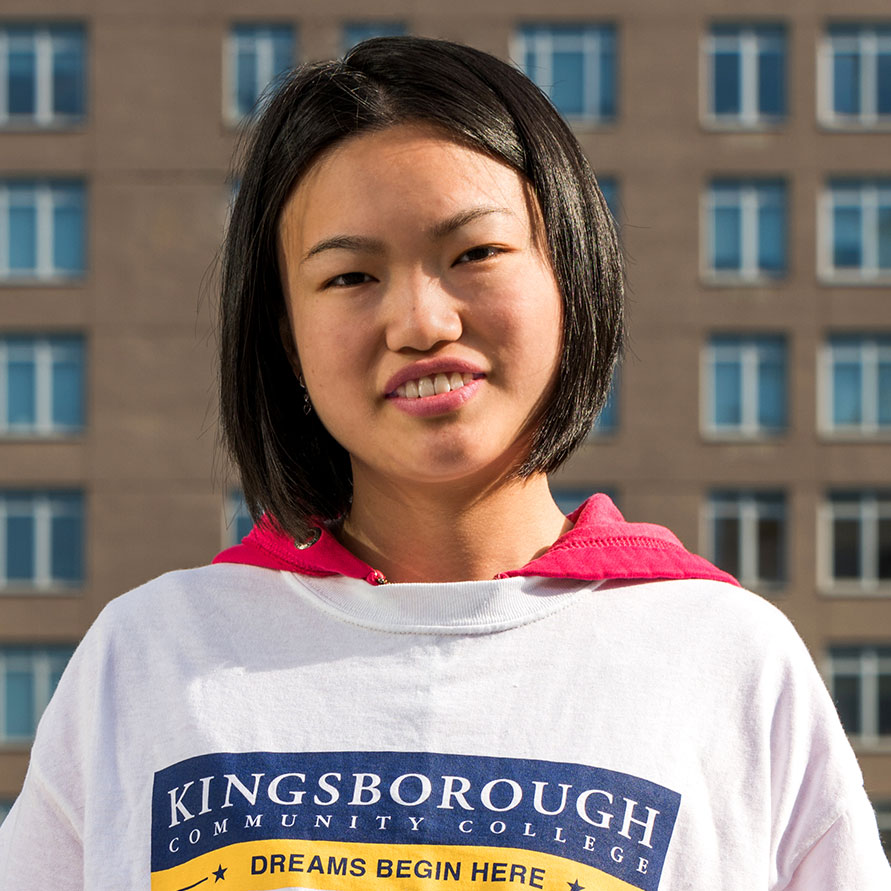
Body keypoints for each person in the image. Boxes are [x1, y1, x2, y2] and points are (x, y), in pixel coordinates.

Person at [0, 36, 887, 891]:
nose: (422, 322)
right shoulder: (149, 656)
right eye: (350, 276)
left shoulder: (725, 659)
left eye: (475, 253)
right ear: (286, 332)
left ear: (570, 275)